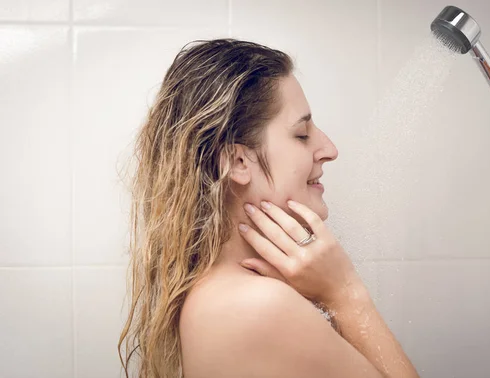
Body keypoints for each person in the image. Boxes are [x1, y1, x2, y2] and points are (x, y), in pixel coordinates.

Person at [119, 38, 419, 378]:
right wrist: (345, 294)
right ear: (237, 161)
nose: (329, 148)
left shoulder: (225, 292)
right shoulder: (257, 306)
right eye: (302, 134)